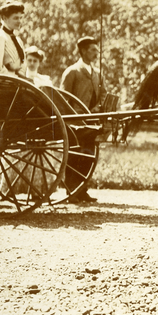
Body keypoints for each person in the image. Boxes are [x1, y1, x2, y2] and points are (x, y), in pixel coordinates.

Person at [59, 36, 106, 203]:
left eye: (96, 50)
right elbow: (62, 98)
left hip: (91, 121)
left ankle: (82, 190)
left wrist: (96, 110)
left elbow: (103, 96)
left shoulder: (97, 74)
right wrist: (73, 116)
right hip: (74, 121)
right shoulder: (72, 72)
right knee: (74, 155)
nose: (96, 53)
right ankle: (72, 191)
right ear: (84, 51)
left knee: (88, 155)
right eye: (93, 50)